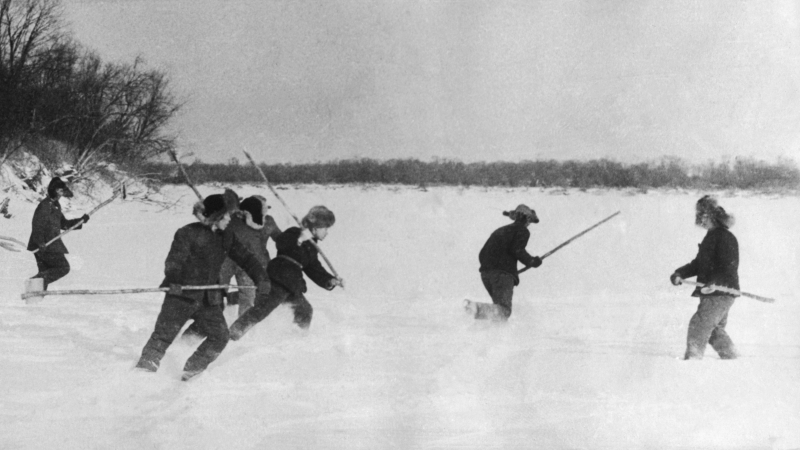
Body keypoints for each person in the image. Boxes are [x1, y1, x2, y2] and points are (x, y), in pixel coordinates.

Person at [135, 190, 271, 381]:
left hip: (209, 299)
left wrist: (262, 280)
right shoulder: (187, 233)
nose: (229, 220)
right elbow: (174, 262)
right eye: (225, 216)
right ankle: (143, 373)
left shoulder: (227, 236)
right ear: (216, 216)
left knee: (220, 336)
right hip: (181, 295)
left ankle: (191, 371)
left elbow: (247, 259)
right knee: (163, 336)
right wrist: (174, 281)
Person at [228, 205, 344, 340]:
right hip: (279, 276)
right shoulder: (294, 232)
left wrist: (330, 280)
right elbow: (281, 243)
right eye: (325, 228)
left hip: (293, 284)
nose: (326, 232)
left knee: (305, 310)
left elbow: (314, 268)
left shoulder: (312, 247)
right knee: (263, 308)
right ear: (315, 227)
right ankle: (234, 332)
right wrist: (300, 238)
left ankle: (298, 338)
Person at [670, 195, 739, 360]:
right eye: (700, 217)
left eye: (704, 216)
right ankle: (731, 356)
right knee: (713, 328)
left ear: (714, 217)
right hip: (716, 291)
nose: (701, 220)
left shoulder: (723, 237)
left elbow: (728, 265)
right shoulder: (712, 237)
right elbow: (698, 264)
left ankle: (693, 358)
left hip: (719, 291)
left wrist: (715, 283)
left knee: (699, 325)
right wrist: (680, 273)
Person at [466, 204, 543, 321]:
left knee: (498, 312)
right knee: (504, 311)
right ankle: (477, 309)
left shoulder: (501, 230)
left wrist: (495, 268)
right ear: (525, 218)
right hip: (502, 276)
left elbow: (482, 253)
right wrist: (531, 261)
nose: (529, 224)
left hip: (486, 274)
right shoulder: (522, 230)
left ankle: (494, 334)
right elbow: (517, 250)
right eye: (529, 221)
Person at [219, 195, 282, 316]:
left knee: (249, 295)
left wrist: (296, 239)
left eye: (265, 207)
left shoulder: (268, 222)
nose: (264, 210)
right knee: (218, 289)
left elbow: (280, 238)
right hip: (229, 260)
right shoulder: (234, 219)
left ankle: (243, 327)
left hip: (253, 262)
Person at [27, 177, 90, 290]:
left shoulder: (56, 205)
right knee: (63, 267)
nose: (61, 194)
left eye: (62, 191)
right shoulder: (45, 205)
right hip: (44, 245)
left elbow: (63, 224)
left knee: (45, 274)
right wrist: (41, 242)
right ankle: (33, 284)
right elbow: (37, 225)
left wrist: (80, 221)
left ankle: (35, 298)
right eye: (60, 191)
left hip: (49, 244)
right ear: (54, 190)